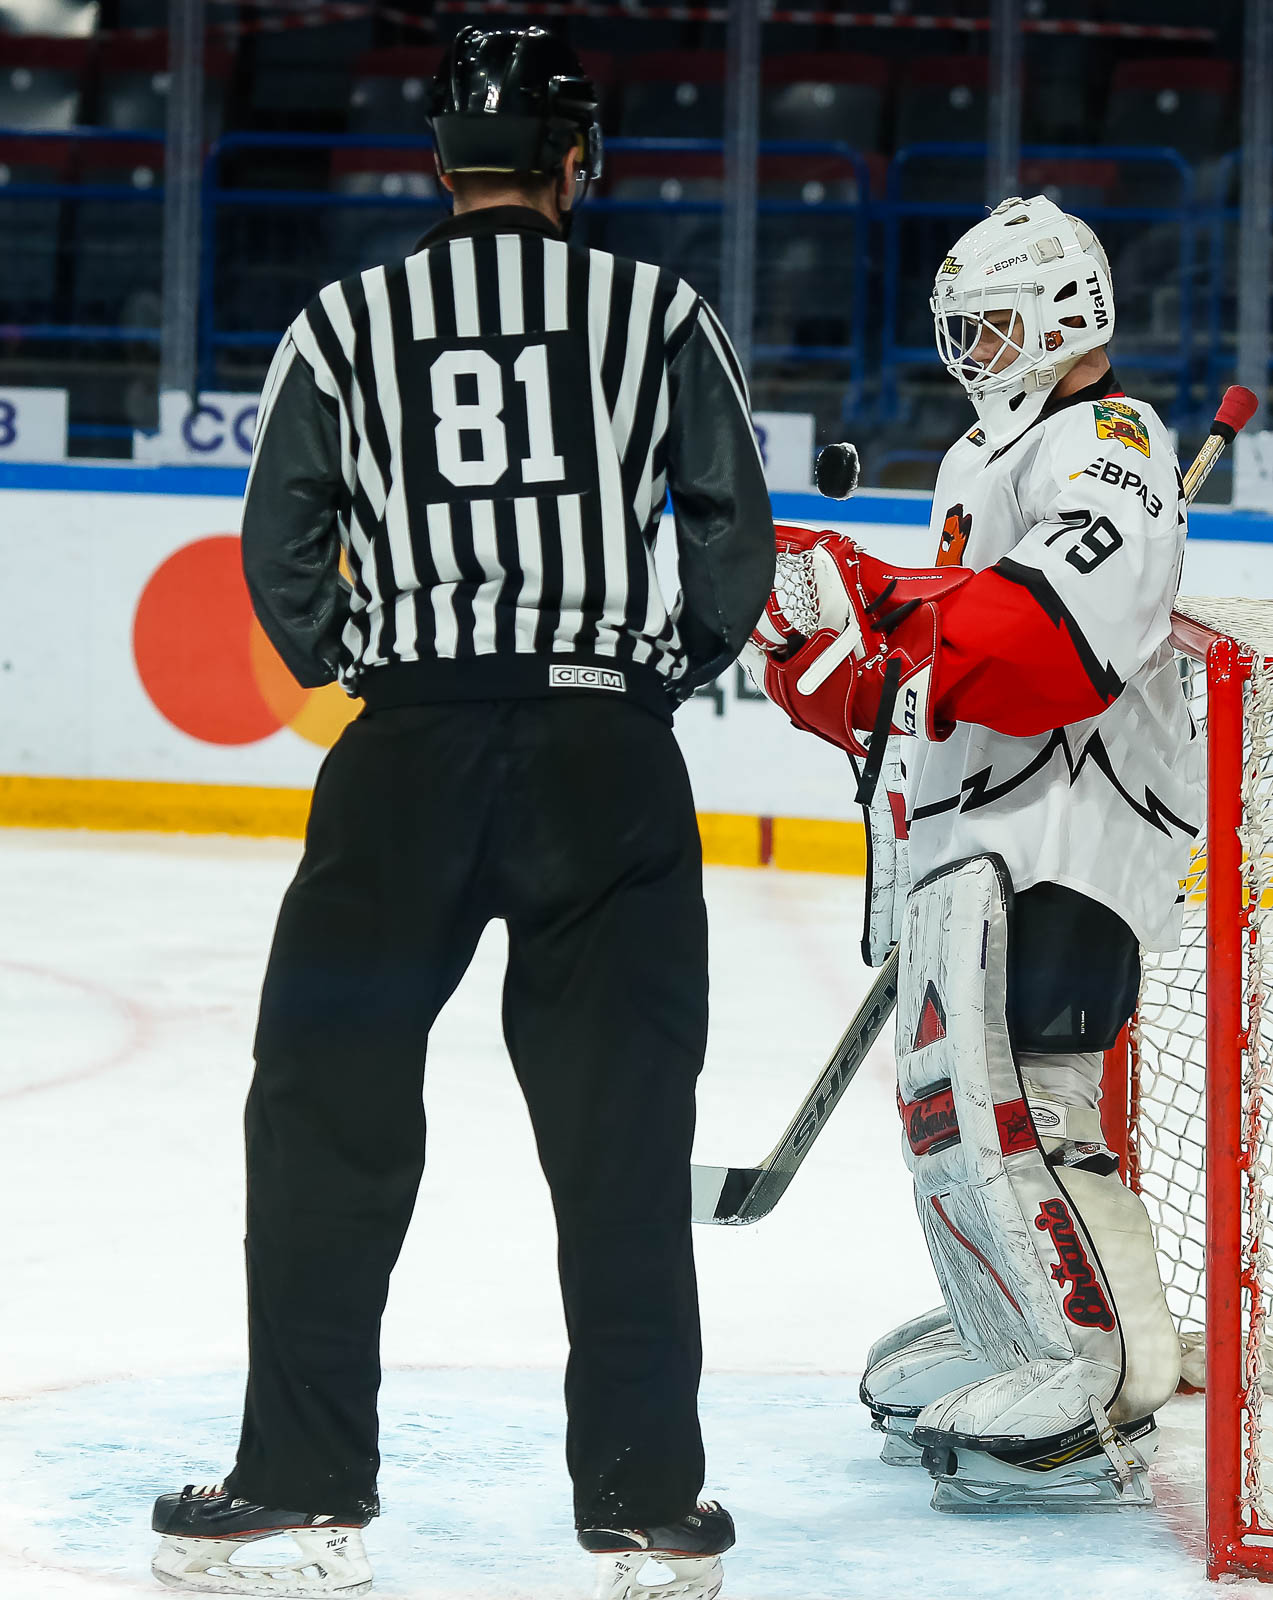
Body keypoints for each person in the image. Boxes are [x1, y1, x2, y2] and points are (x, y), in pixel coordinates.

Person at [150, 25, 774, 1599]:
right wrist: (648, 681)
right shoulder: (654, 310)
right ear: (578, 160)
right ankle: (645, 1509)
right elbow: (729, 533)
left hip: (406, 761)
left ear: (443, 159)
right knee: (622, 1135)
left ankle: (297, 1486)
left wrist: (363, 666)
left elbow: (279, 531)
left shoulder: (347, 317)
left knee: (322, 1115)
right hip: (600, 761)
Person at [747, 194, 1197, 1511]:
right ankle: (1018, 1327)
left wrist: (878, 601)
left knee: (1034, 1114)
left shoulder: (1106, 443)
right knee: (957, 1117)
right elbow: (938, 664)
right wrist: (834, 654)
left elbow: (1043, 644)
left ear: (1069, 314)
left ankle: (1096, 1374)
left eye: (996, 321)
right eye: (963, 326)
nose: (975, 348)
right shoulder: (981, 454)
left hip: (1068, 827)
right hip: (977, 827)